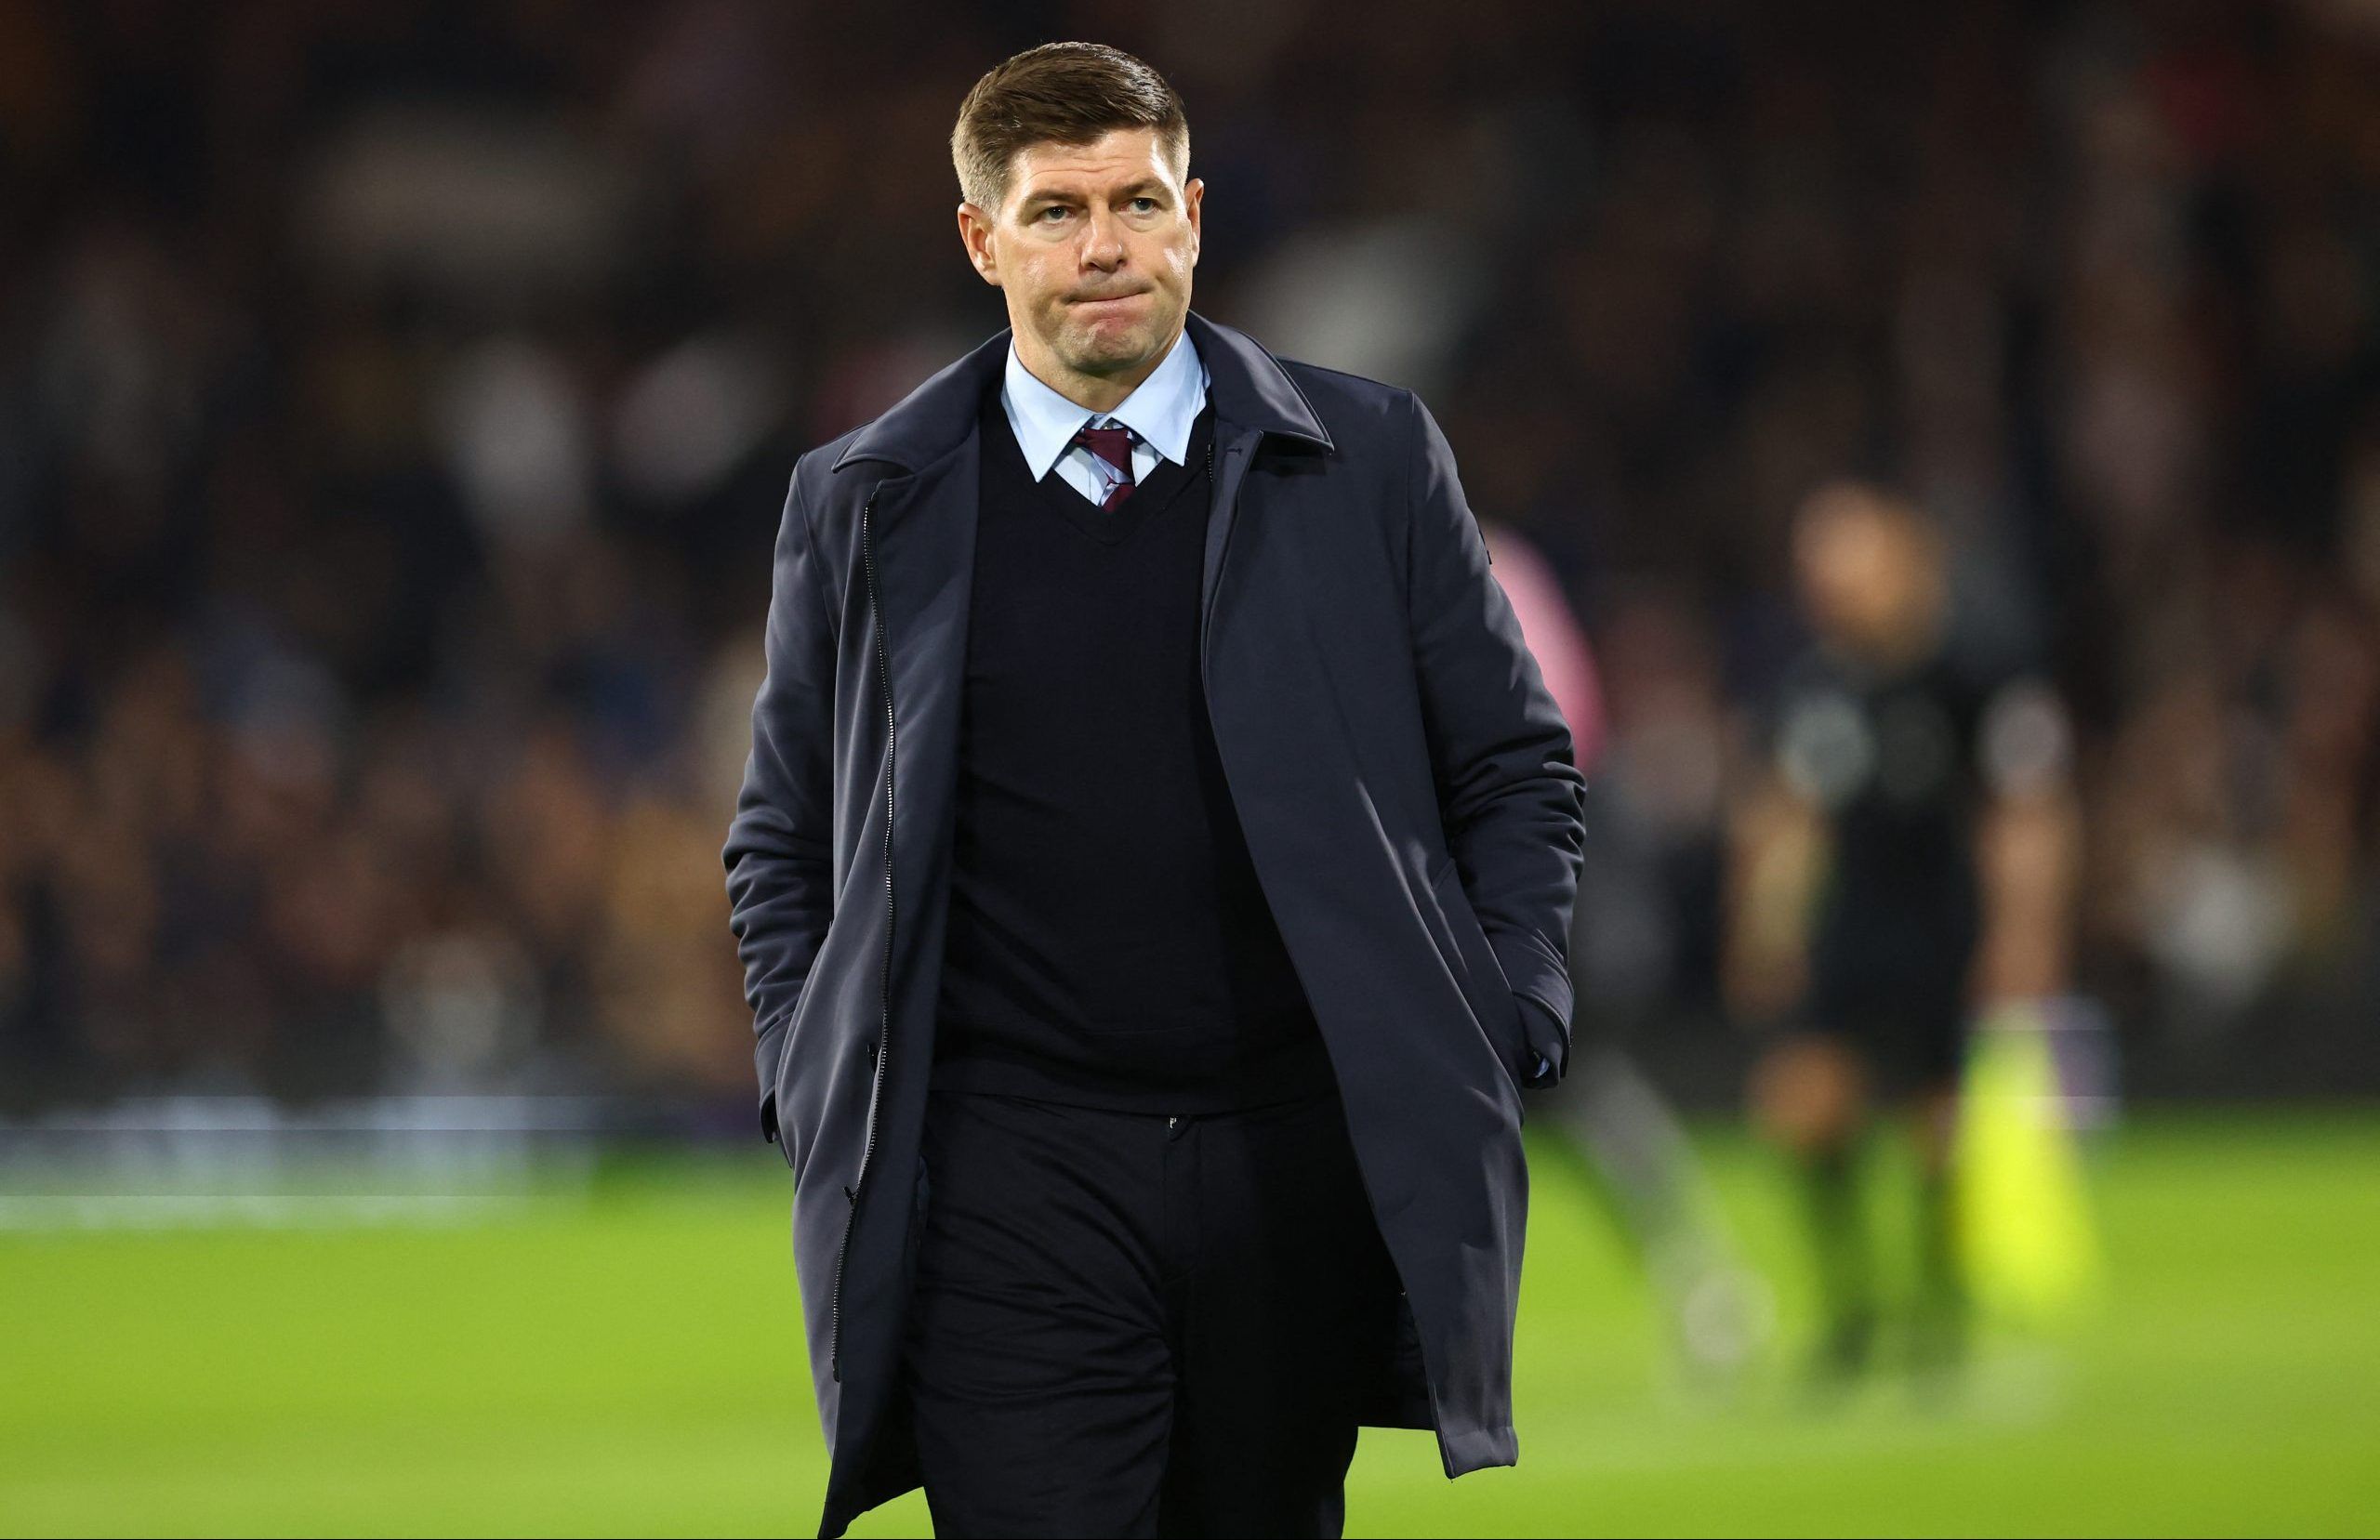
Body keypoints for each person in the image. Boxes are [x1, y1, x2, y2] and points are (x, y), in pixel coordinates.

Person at [721, 42, 1585, 1539]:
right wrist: (816, 1067)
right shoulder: (864, 496)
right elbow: (784, 835)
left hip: (1287, 1163)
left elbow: (1511, 760)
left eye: (1135, 201)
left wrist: (1510, 1007)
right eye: (1056, 212)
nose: (1103, 247)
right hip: (1006, 1179)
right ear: (981, 242)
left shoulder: (1369, 458)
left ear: (1194, 213)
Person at [1725, 480, 2079, 1388]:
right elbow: (1790, 809)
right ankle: (1853, 1307)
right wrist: (1767, 922)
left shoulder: (1978, 665)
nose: (1829, 590)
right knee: (1801, 1107)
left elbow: (2025, 806)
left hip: (1942, 922)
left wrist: (2022, 928)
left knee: (1934, 1125)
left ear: (1900, 560)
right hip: (1854, 923)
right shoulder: (1817, 682)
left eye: (1846, 566)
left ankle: (1939, 1302)